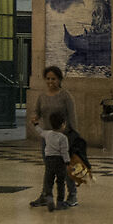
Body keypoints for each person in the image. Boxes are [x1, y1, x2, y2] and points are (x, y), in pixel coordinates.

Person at [29, 67, 78, 208]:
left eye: (53, 79)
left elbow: (72, 117)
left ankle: (72, 195)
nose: (50, 81)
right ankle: (45, 195)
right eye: (48, 79)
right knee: (49, 169)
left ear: (59, 79)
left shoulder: (65, 96)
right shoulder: (42, 96)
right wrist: (35, 117)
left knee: (66, 168)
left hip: (63, 138)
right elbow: (37, 111)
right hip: (48, 138)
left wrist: (73, 136)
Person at [35, 109, 78, 211]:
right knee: (60, 183)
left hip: (49, 161)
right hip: (60, 162)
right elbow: (64, 152)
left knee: (49, 181)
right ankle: (59, 202)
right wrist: (68, 163)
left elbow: (40, 131)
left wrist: (35, 124)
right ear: (63, 124)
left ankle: (49, 197)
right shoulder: (63, 138)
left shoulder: (48, 134)